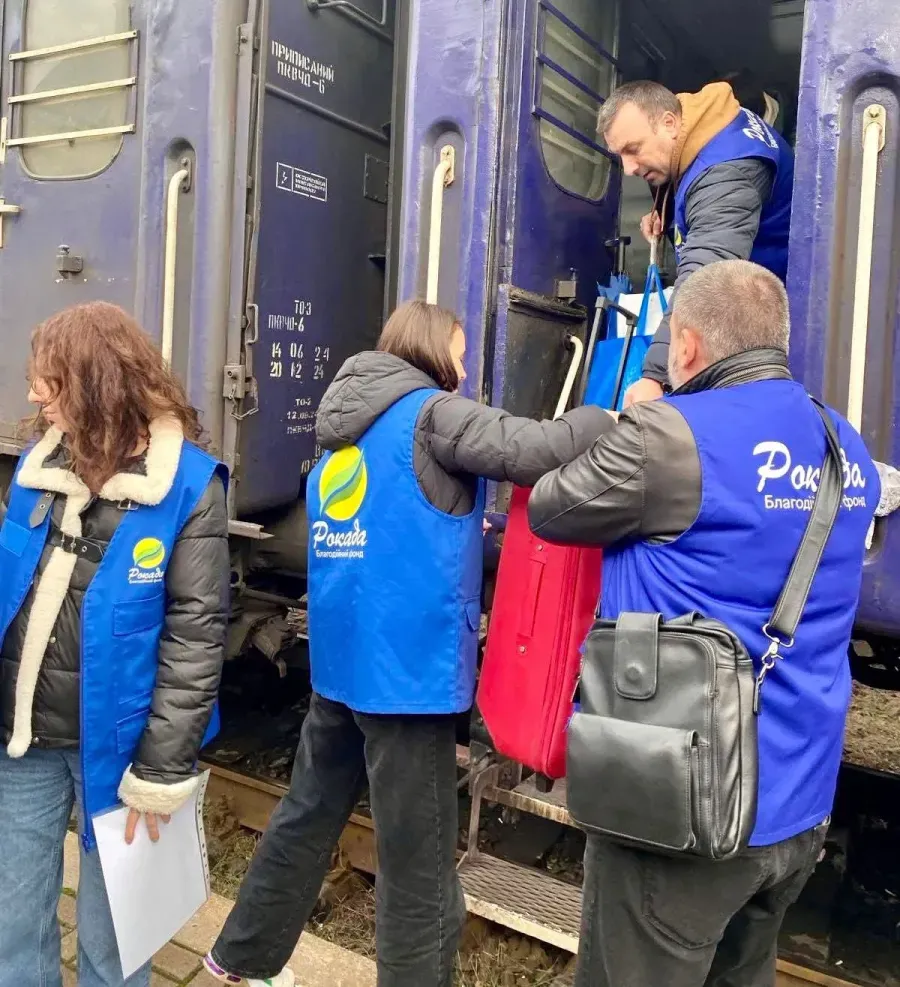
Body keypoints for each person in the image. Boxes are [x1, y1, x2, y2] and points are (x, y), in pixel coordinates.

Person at [203, 300, 614, 987]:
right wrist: (614, 414)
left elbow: (387, 526)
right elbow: (535, 450)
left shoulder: (345, 428)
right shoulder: (431, 413)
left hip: (343, 663)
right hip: (406, 677)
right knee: (419, 867)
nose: (463, 369)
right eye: (459, 352)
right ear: (429, 350)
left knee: (307, 814)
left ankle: (239, 960)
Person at [528, 260, 882, 987]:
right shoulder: (847, 446)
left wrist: (614, 419)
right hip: (796, 806)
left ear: (686, 345)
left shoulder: (668, 435)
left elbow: (550, 507)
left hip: (681, 812)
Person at [0, 302, 230, 987]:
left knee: (117, 942)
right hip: (23, 737)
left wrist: (161, 770)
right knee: (13, 925)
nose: (33, 393)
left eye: (49, 379)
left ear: (95, 381)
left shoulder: (188, 486)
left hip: (126, 753)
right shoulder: (37, 465)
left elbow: (196, 638)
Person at [597, 80, 794, 406]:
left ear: (669, 123)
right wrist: (665, 213)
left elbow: (705, 276)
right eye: (620, 156)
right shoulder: (707, 125)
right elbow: (693, 180)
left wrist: (655, 377)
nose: (628, 168)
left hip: (764, 317)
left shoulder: (728, 171)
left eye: (633, 149)